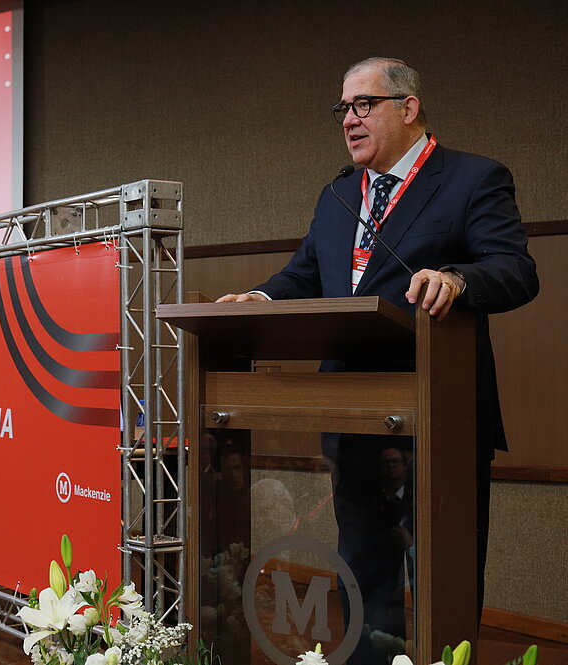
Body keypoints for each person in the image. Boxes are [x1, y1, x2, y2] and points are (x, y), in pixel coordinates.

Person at [217, 57, 539, 658]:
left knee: (443, 577)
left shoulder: (473, 178)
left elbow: (516, 270)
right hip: (354, 421)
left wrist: (457, 279)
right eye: (343, 109)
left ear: (408, 107)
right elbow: (305, 273)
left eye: (363, 104)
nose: (349, 120)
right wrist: (259, 299)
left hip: (437, 418)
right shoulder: (340, 193)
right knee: (364, 577)